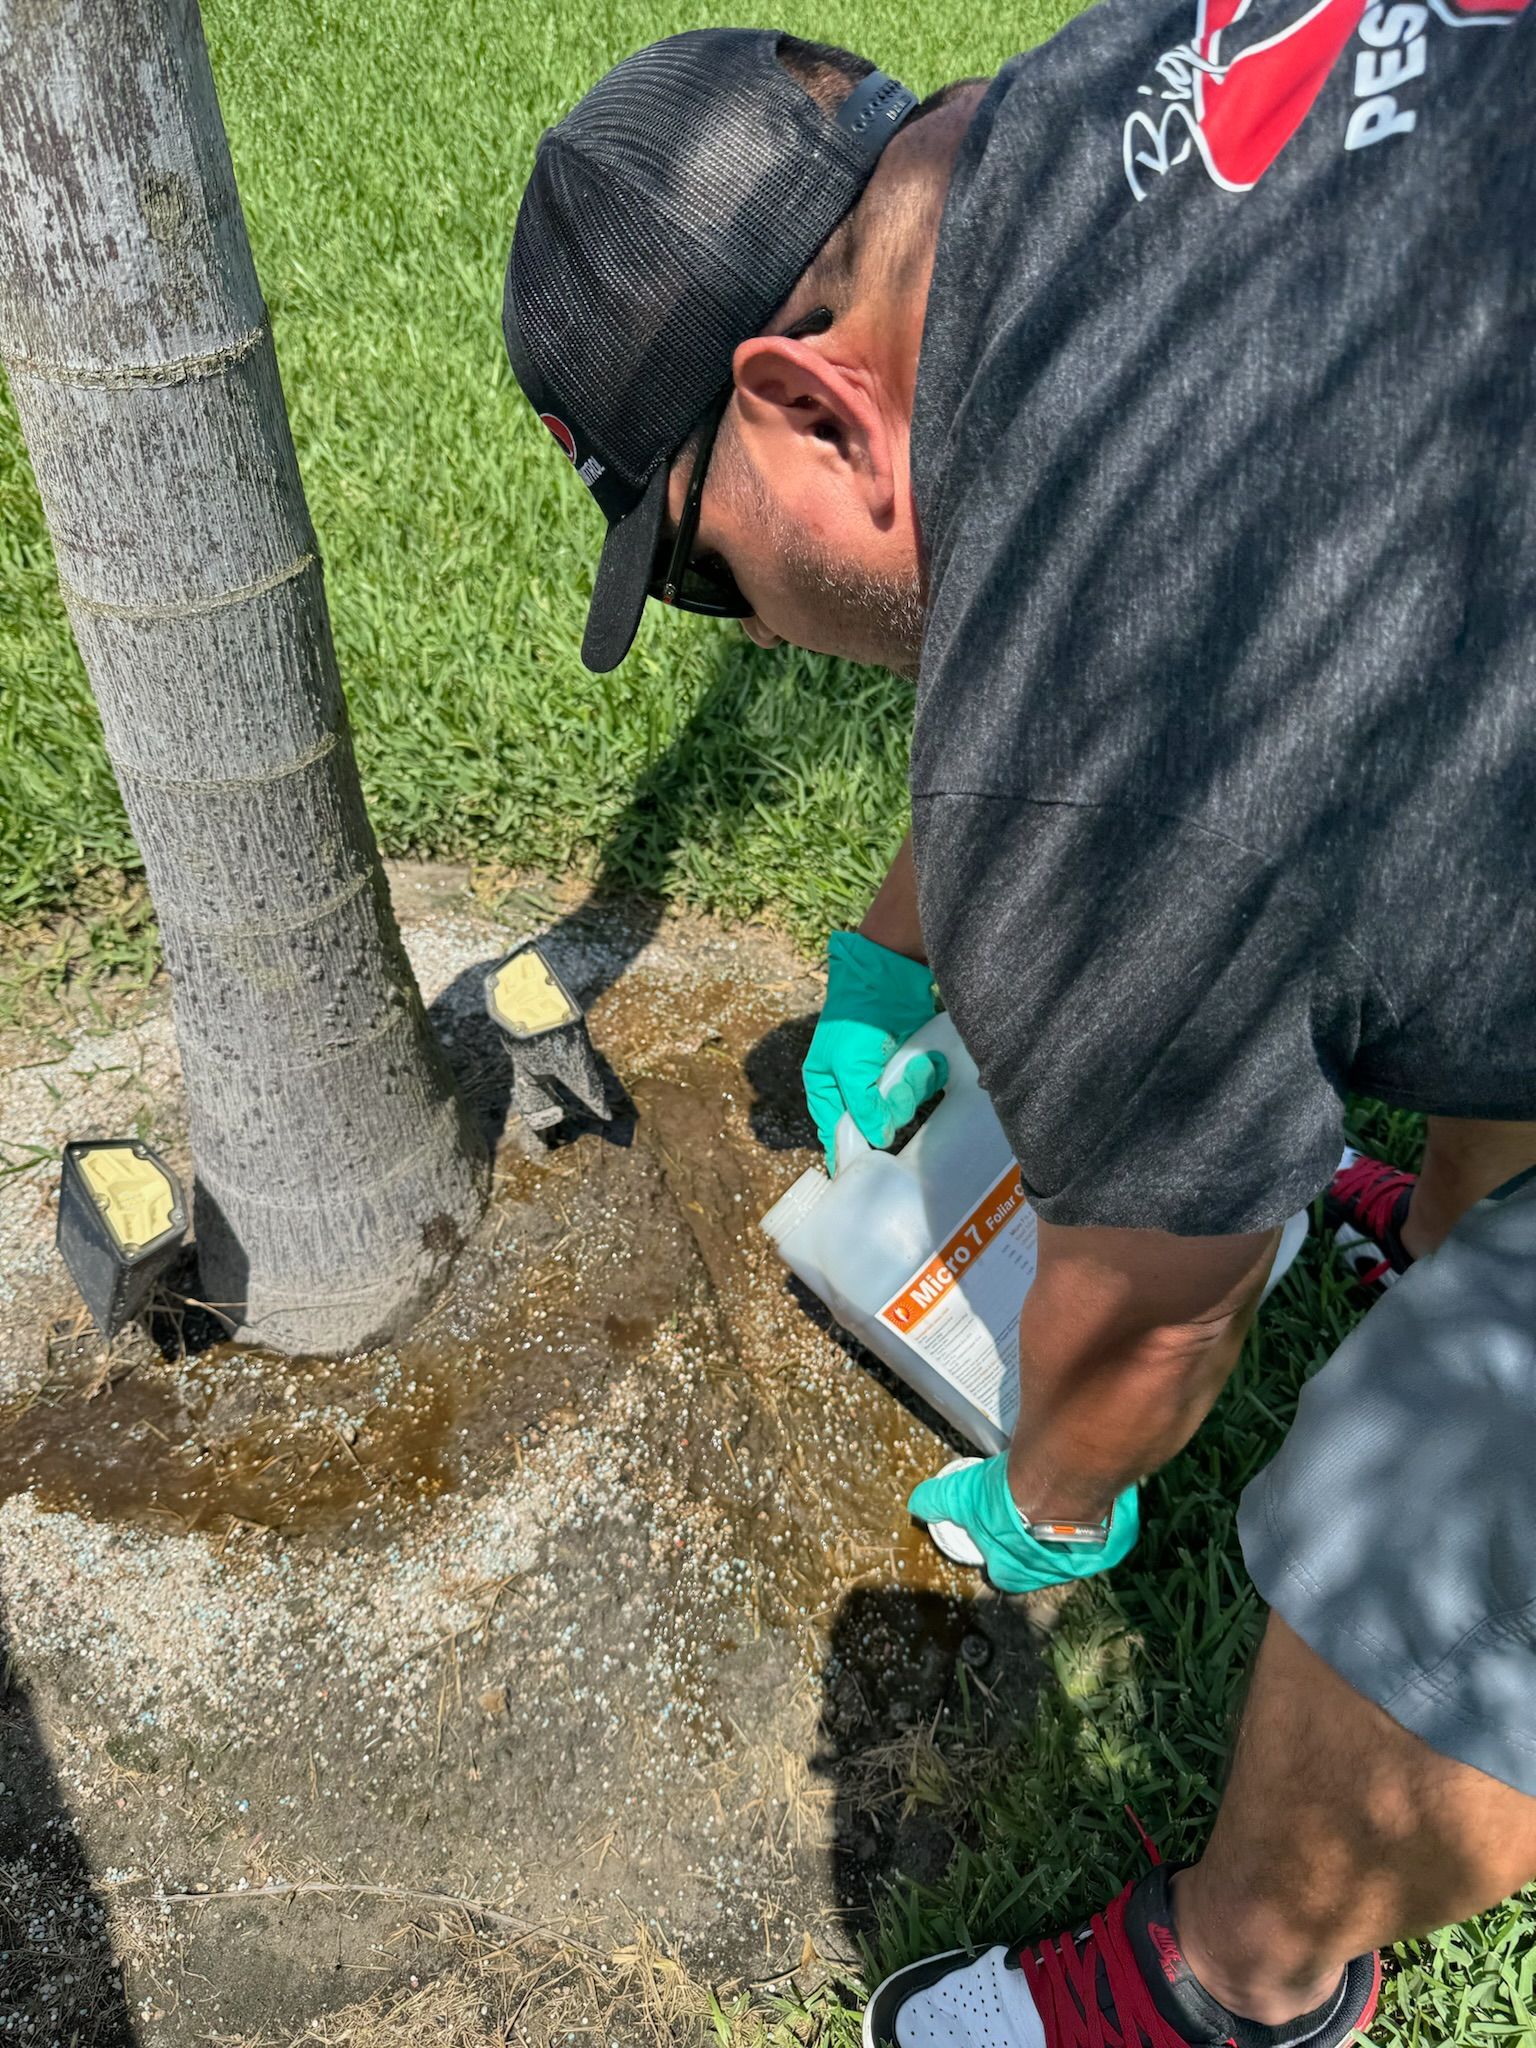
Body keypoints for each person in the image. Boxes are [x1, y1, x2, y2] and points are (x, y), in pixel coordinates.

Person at [501, 10, 1536, 2044]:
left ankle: (1236, 1986)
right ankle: (1443, 1217)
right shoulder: (1108, 89)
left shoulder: (1079, 767)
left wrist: (1056, 1491)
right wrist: (904, 944)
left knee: (1444, 1488)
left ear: (806, 404)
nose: (759, 627)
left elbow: (1151, 1321)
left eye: (702, 571)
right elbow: (1092, 608)